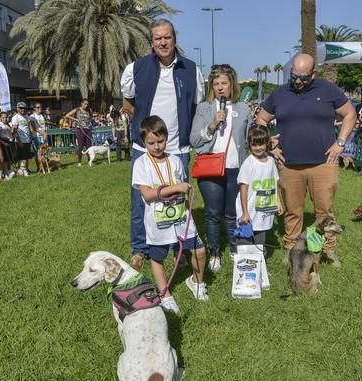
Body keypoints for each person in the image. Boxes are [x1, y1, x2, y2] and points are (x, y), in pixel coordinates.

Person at [255, 53, 357, 266]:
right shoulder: (279, 94)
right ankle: (291, 248)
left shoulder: (329, 91)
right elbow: (261, 119)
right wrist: (269, 144)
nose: (298, 81)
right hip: (289, 164)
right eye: (294, 76)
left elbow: (350, 114)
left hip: (323, 163)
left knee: (325, 210)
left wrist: (340, 143)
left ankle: (327, 249)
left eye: (303, 77)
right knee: (293, 211)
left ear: (313, 73)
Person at [120, 18, 204, 270]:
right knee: (140, 202)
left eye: (167, 37)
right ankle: (140, 249)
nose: (163, 42)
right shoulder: (135, 69)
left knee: (179, 201)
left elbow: (196, 106)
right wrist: (144, 131)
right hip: (143, 149)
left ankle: (182, 246)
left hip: (178, 149)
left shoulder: (191, 70)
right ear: (151, 42)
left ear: (174, 39)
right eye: (158, 38)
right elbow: (127, 103)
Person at [131, 116, 208, 312]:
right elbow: (147, 194)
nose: (157, 146)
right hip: (158, 221)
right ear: (143, 142)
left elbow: (182, 187)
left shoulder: (175, 161)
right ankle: (165, 294)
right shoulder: (141, 164)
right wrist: (173, 188)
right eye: (151, 143)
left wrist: (186, 195)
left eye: (160, 141)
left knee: (199, 250)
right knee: (158, 257)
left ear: (167, 137)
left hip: (181, 216)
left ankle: (197, 282)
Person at [189, 64, 252, 272]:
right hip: (211, 169)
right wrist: (212, 125)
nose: (220, 87)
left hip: (236, 168)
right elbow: (194, 140)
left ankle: (235, 250)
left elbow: (250, 137)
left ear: (232, 84)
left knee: (233, 212)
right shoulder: (204, 108)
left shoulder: (243, 108)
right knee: (213, 213)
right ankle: (215, 252)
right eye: (215, 84)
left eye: (224, 83)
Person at [236, 124, 283, 249]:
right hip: (249, 211)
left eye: (261, 144)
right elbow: (243, 188)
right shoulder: (248, 164)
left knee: (259, 242)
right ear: (249, 145)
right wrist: (245, 212)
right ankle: (243, 265)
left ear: (267, 143)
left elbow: (274, 183)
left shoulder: (271, 161)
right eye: (254, 145)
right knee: (245, 242)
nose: (257, 148)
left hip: (263, 211)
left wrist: (278, 202)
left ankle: (258, 263)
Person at [64, 98, 93, 167]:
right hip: (80, 129)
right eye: (85, 104)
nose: (86, 105)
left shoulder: (89, 110)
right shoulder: (77, 109)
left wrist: (89, 123)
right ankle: (79, 162)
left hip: (88, 129)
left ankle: (89, 161)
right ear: (81, 103)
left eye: (87, 104)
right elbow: (67, 115)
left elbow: (91, 118)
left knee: (89, 146)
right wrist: (75, 119)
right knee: (81, 146)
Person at [11, 102, 32, 176]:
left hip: (27, 139)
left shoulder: (26, 116)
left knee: (26, 156)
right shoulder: (15, 117)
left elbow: (28, 128)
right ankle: (22, 170)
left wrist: (30, 137)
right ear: (17, 108)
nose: (23, 109)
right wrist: (19, 141)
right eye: (21, 108)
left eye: (24, 108)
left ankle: (26, 169)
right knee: (22, 156)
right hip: (20, 140)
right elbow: (15, 131)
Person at [0, 111, 15, 180]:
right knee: (5, 160)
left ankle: (9, 172)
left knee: (10, 159)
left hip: (9, 142)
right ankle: (5, 173)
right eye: (3, 117)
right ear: (0, 118)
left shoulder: (8, 124)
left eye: (6, 117)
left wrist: (12, 131)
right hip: (3, 143)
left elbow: (10, 133)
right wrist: (3, 143)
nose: (5, 119)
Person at [29, 102, 46, 171]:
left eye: (40, 107)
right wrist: (42, 133)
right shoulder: (32, 116)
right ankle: (38, 168)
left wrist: (45, 133)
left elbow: (43, 126)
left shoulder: (42, 116)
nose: (39, 109)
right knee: (38, 153)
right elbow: (34, 128)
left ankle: (43, 167)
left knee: (44, 152)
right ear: (34, 108)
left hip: (43, 135)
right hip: (36, 136)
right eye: (38, 107)